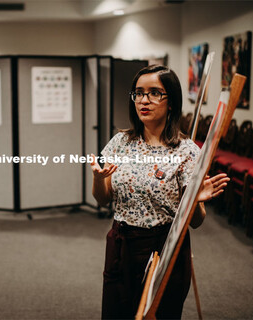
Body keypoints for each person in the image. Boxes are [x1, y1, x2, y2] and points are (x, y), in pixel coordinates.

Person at [90, 65, 229, 319]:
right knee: (116, 313)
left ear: (172, 102)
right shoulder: (120, 143)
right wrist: (98, 179)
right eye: (139, 93)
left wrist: (194, 200)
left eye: (155, 93)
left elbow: (196, 222)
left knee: (160, 314)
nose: (144, 100)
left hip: (164, 246)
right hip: (121, 244)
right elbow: (102, 200)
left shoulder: (186, 152)